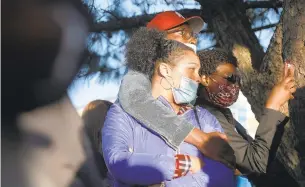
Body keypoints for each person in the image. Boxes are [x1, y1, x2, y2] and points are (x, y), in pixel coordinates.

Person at [102, 27, 235, 187]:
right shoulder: (123, 113)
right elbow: (119, 163)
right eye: (191, 69)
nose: (198, 78)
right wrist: (186, 164)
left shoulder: (204, 117)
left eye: (199, 71)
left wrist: (160, 180)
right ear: (165, 70)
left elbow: (223, 173)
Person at [118, 11, 235, 165]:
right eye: (183, 33)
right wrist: (201, 140)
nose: (193, 39)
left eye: (193, 35)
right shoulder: (137, 76)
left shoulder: (189, 75)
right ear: (155, 41)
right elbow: (137, 102)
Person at [195, 49, 296, 185]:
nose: (234, 85)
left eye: (237, 79)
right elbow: (255, 162)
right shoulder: (206, 115)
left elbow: (262, 158)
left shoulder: (222, 113)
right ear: (205, 79)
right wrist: (273, 105)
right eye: (230, 78)